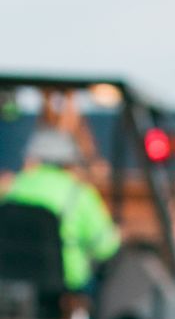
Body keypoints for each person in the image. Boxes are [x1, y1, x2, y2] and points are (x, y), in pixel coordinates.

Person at [2, 126, 121, 295]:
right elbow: (106, 248)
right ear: (69, 162)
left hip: (13, 280)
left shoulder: (13, 187)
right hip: (67, 283)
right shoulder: (79, 193)